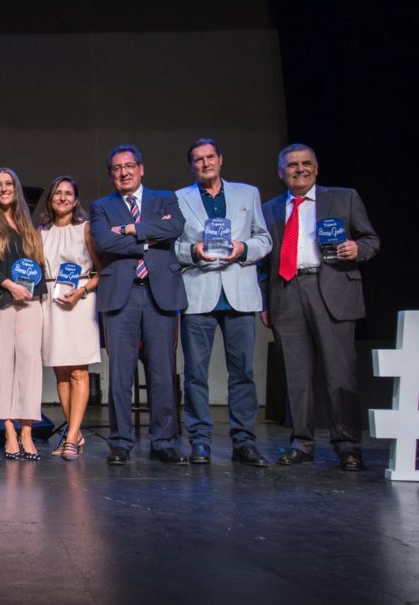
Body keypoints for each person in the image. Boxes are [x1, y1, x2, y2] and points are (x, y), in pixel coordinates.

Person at [260, 143, 379, 471]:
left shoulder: (344, 197)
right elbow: (263, 262)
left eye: (306, 163)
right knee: (296, 376)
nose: (299, 169)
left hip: (332, 289)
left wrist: (358, 248)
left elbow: (371, 239)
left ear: (317, 167)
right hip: (287, 291)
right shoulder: (270, 208)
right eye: (292, 165)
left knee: (339, 373)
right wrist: (264, 301)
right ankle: (301, 443)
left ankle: (348, 446)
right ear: (280, 173)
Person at [175, 139, 272, 468]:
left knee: (242, 372)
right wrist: (193, 252)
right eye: (197, 160)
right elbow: (171, 246)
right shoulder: (179, 199)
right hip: (198, 293)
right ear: (191, 166)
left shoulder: (248, 193)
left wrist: (242, 249)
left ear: (221, 159)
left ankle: (244, 441)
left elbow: (264, 238)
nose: (204, 164)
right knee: (195, 375)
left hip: (239, 293)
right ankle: (200, 442)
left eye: (210, 157)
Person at [89, 145, 187, 465]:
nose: (124, 172)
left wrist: (132, 229)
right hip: (121, 293)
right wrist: (151, 236)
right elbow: (105, 242)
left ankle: (164, 441)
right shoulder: (101, 206)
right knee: (120, 373)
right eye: (117, 168)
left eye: (129, 166)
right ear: (110, 175)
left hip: (159, 292)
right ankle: (120, 441)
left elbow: (175, 228)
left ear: (141, 168)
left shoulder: (165, 199)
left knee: (162, 370)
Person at [0, 168, 47, 461]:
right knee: (0, 368)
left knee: (30, 366)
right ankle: (9, 432)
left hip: (29, 303)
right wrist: (9, 285)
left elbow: (38, 266)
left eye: (8, 184)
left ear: (16, 188)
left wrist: (28, 291)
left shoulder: (28, 226)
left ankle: (27, 431)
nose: (3, 189)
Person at [38, 176, 101, 461]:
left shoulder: (85, 229)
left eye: (68, 194)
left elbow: (102, 271)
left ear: (76, 200)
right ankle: (75, 433)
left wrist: (82, 291)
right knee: (60, 370)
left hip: (79, 301)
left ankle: (72, 436)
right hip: (50, 300)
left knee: (78, 370)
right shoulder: (41, 232)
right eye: (57, 193)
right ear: (50, 199)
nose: (62, 198)